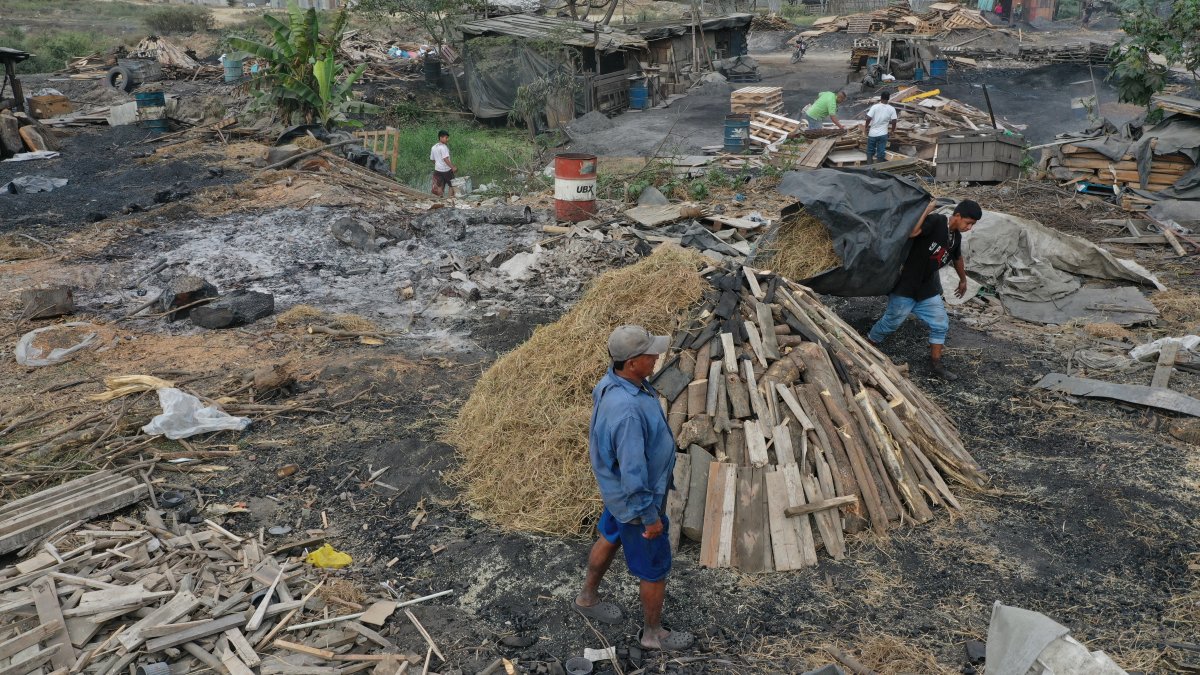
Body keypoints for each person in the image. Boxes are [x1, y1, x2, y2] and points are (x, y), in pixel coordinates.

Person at [574, 325, 693, 652]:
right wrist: (649, 517)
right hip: (638, 501)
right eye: (650, 354)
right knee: (654, 570)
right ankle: (653, 634)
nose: (657, 358)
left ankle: (586, 598)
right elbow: (633, 471)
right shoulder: (626, 410)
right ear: (631, 362)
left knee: (610, 536)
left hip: (617, 496)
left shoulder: (614, 382)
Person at [867, 199, 983, 381]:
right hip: (906, 285)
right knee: (891, 322)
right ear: (958, 216)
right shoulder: (936, 221)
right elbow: (913, 232)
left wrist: (963, 280)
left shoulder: (955, 237)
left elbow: (957, 258)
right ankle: (867, 345)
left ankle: (936, 365)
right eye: (968, 223)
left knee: (940, 324)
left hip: (927, 288)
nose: (969, 228)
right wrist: (928, 209)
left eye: (972, 225)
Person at [864, 91, 898, 164]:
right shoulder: (892, 109)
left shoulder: (875, 107)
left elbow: (868, 118)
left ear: (880, 97)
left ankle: (868, 168)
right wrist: (892, 131)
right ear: (888, 98)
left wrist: (866, 127)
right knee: (881, 152)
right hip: (883, 135)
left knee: (870, 151)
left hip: (872, 134)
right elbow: (894, 121)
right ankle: (878, 169)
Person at [429, 130, 455, 198]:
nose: (447, 139)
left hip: (437, 170)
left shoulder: (433, 147)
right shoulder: (444, 147)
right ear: (441, 137)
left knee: (439, 185)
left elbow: (432, 159)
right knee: (452, 185)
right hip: (446, 170)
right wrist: (453, 167)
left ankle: (440, 199)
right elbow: (445, 159)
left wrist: (437, 164)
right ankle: (449, 199)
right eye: (446, 138)